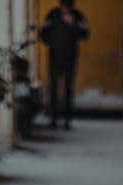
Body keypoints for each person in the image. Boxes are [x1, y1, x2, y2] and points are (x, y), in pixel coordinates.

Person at [40, 0, 88, 129]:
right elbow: (43, 34)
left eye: (68, 7)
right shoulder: (52, 14)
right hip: (54, 57)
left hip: (70, 57)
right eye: (63, 7)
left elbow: (85, 34)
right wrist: (54, 44)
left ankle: (67, 119)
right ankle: (53, 119)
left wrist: (73, 24)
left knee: (68, 87)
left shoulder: (77, 15)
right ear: (60, 5)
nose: (65, 9)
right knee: (53, 87)